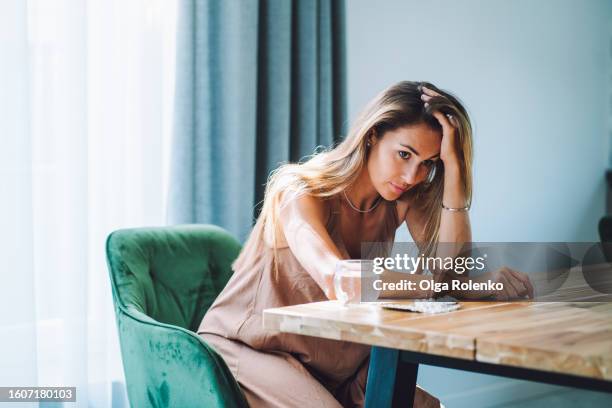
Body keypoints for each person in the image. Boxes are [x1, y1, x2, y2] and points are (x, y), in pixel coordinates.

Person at [197, 80, 531, 407]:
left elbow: (452, 270)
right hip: (250, 349)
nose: (413, 176)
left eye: (428, 163)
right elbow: (340, 280)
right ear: (372, 135)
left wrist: (455, 167)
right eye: (404, 154)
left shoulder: (402, 199)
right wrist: (436, 287)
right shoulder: (298, 190)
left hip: (336, 360)